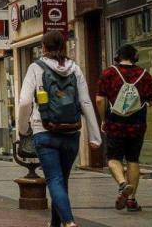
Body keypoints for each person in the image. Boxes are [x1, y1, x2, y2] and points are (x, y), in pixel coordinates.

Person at [17, 30, 101, 227]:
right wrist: (95, 137)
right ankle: (56, 223)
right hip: (71, 132)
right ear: (63, 46)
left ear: (43, 47)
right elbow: (86, 102)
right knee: (61, 180)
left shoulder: (36, 68)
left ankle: (69, 222)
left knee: (54, 180)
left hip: (44, 131)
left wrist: (22, 129)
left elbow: (24, 102)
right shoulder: (75, 69)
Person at [95, 44, 152, 212]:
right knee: (133, 159)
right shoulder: (144, 75)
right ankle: (131, 200)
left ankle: (122, 183)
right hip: (137, 124)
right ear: (135, 57)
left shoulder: (108, 73)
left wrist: (103, 120)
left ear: (117, 57)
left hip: (115, 122)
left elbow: (100, 100)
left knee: (113, 158)